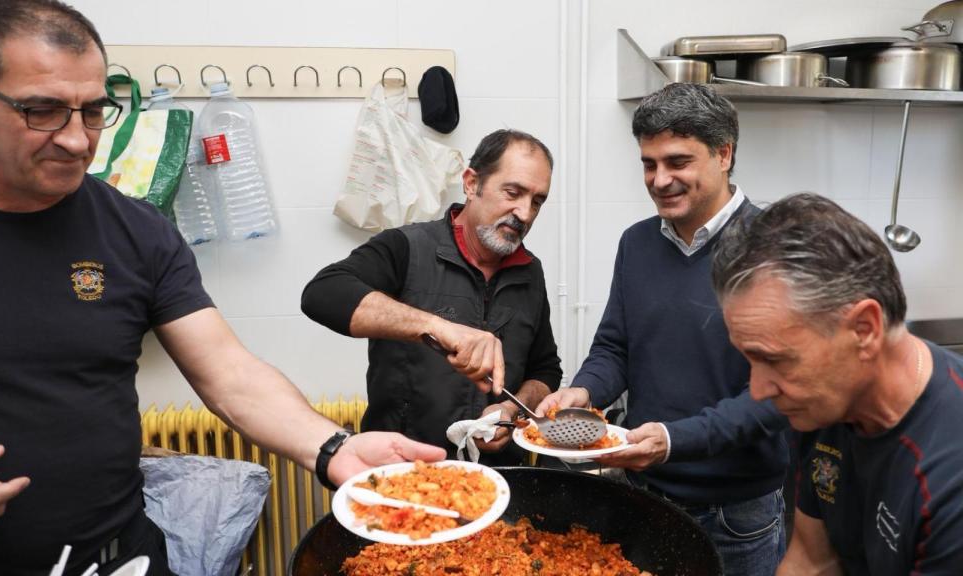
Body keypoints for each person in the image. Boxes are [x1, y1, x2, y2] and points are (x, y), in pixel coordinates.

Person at [0, 2, 445, 575]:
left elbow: (229, 374)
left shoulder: (137, 232)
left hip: (117, 560)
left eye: (94, 111)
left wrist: (334, 447)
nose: (79, 141)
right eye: (44, 111)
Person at [536, 83, 789, 576]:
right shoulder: (637, 243)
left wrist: (672, 440)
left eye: (677, 161)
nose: (660, 179)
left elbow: (776, 397)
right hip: (647, 493)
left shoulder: (773, 247)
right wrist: (583, 391)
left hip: (736, 515)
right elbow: (615, 346)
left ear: (724, 153)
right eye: (649, 164)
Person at [712, 192, 963, 575]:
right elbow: (813, 560)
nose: (760, 391)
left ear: (864, 330)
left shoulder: (948, 482)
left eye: (775, 360)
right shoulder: (827, 404)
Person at [302, 129, 562, 465]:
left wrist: (512, 411)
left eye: (537, 201)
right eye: (513, 193)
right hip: (402, 474)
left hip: (500, 478)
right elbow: (322, 293)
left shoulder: (529, 271)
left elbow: (546, 370)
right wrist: (436, 326)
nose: (525, 213)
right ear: (471, 183)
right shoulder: (406, 247)